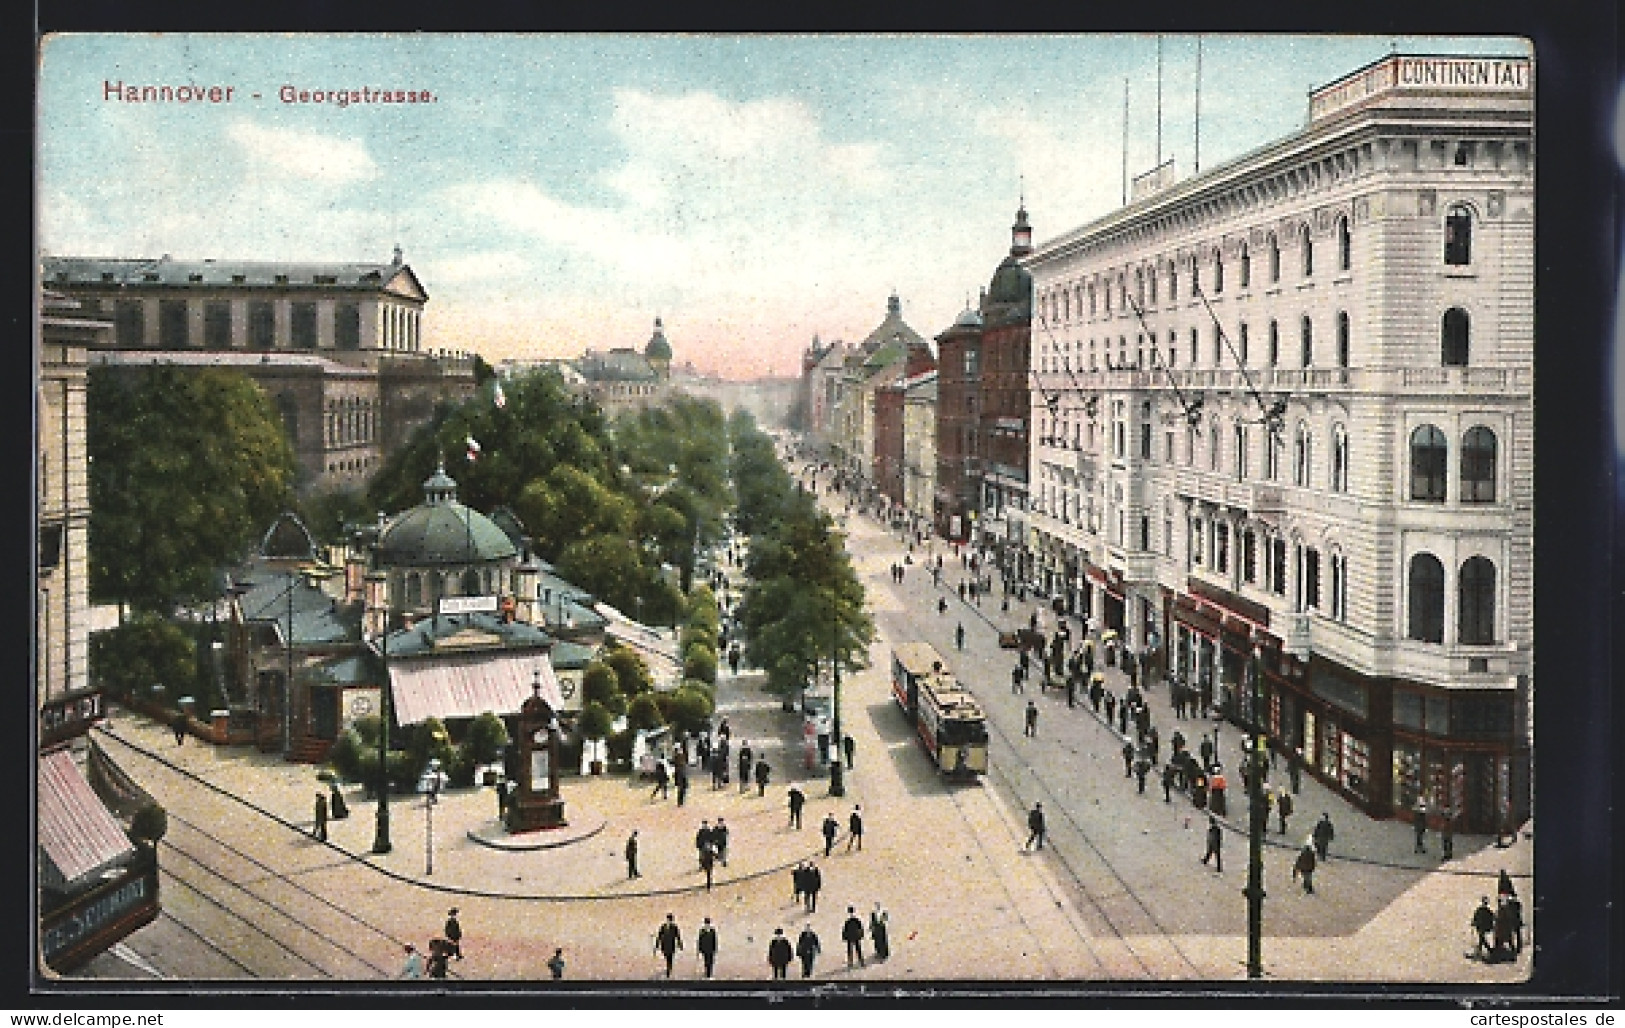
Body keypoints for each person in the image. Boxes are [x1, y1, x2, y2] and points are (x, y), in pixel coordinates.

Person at [654, 913, 683, 977]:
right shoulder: (663, 927)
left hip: (671, 945)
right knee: (666, 956)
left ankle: (668, 969)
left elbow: (678, 936)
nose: (669, 921)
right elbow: (659, 936)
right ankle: (669, 967)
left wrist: (680, 944)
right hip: (664, 945)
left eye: (670, 920)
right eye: (669, 919)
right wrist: (657, 945)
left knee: (670, 957)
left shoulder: (674, 927)